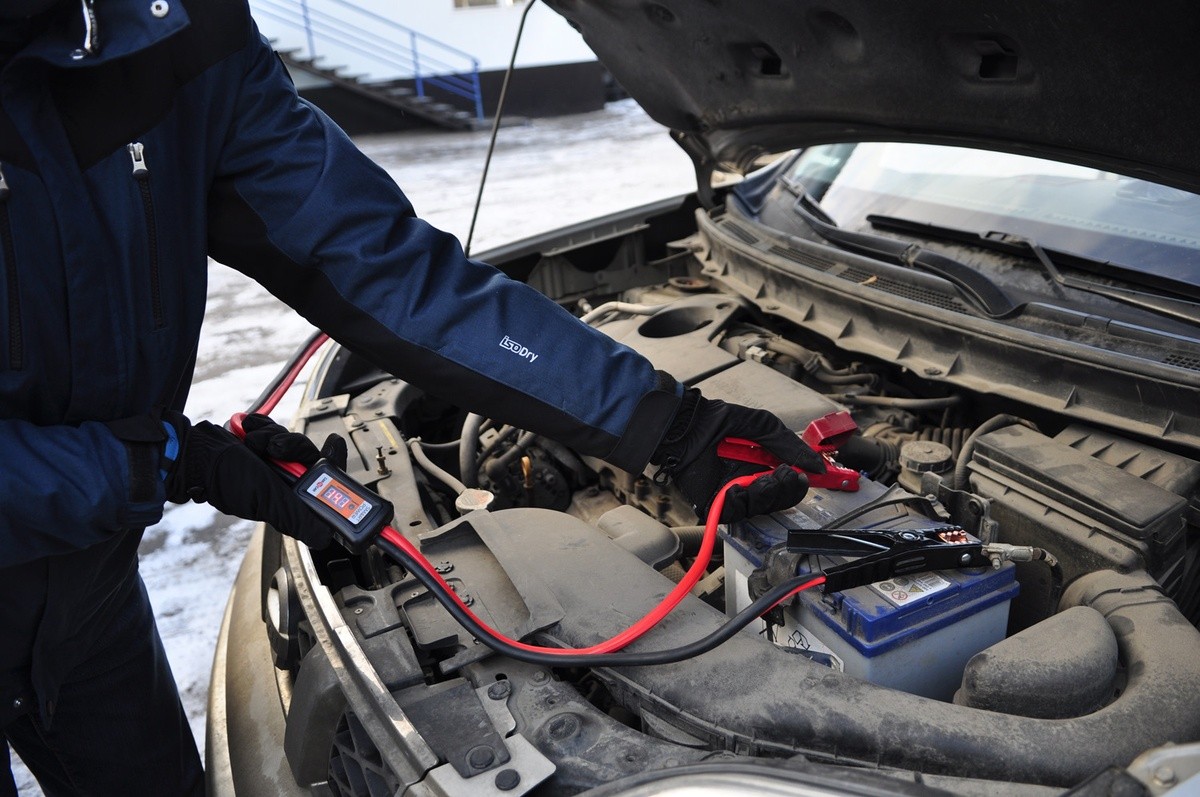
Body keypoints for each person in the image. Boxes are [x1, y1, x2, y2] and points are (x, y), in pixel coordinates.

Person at [0, 0, 822, 793]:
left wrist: (662, 423)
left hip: (88, 597)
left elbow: (388, 268)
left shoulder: (173, 31)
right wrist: (161, 463)